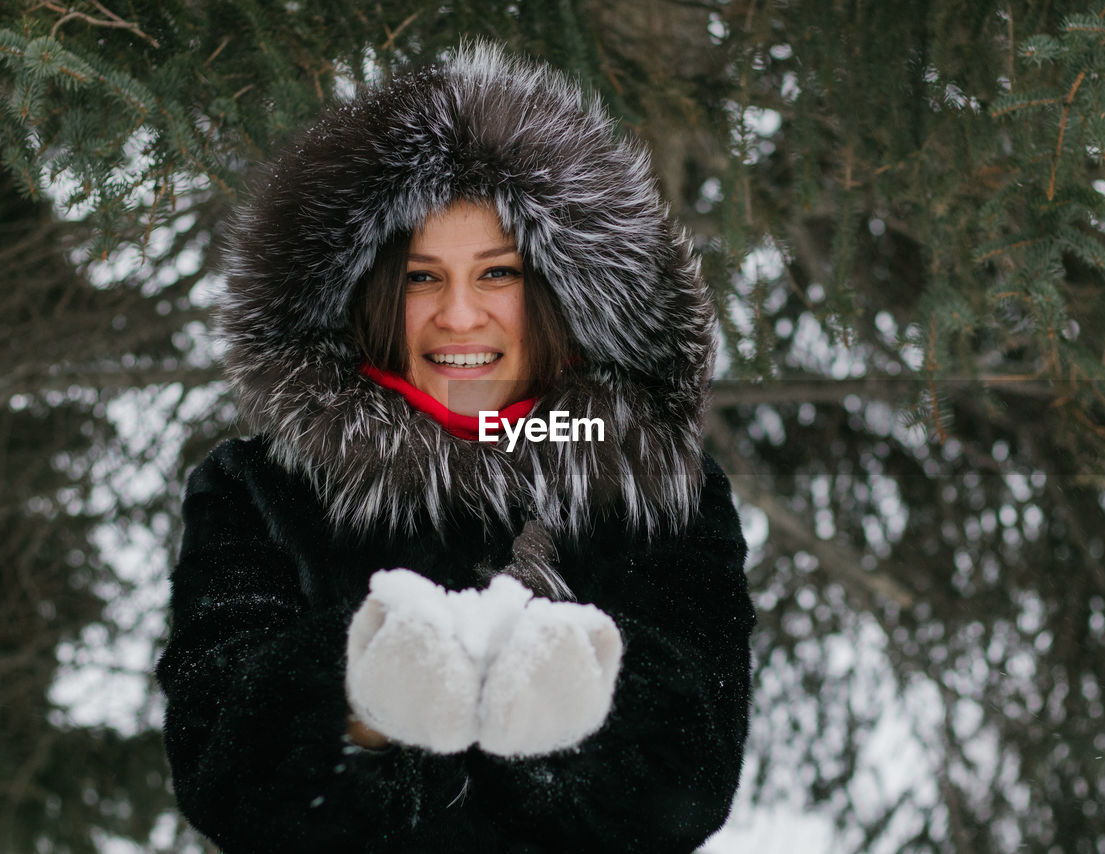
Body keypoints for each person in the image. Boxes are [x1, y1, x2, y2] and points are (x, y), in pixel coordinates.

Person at [154, 40, 754, 853]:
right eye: (421, 276)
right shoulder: (259, 488)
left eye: (499, 274)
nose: (460, 317)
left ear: (565, 293)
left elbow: (688, 785)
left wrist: (571, 688)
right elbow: (226, 775)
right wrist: (361, 691)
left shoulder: (660, 490)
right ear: (365, 293)